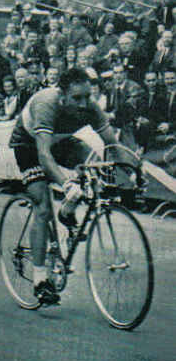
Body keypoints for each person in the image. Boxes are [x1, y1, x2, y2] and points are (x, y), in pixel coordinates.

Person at [9, 68, 120, 305]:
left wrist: (130, 171)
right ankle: (41, 281)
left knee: (96, 166)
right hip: (30, 146)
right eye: (76, 98)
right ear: (62, 95)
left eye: (87, 97)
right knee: (43, 207)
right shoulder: (46, 104)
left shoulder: (90, 106)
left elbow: (112, 143)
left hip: (63, 142)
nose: (83, 104)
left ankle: (68, 212)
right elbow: (44, 155)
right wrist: (65, 183)